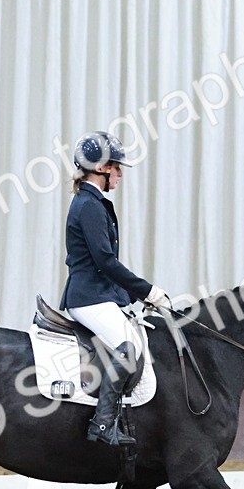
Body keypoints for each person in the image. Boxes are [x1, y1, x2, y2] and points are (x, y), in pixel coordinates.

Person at [59, 131, 171, 447]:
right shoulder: (89, 205)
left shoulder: (93, 202)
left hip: (97, 294)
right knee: (127, 347)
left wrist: (131, 296)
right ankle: (103, 423)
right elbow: (106, 262)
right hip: (88, 297)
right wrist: (148, 291)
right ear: (102, 168)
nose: (120, 175)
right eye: (117, 168)